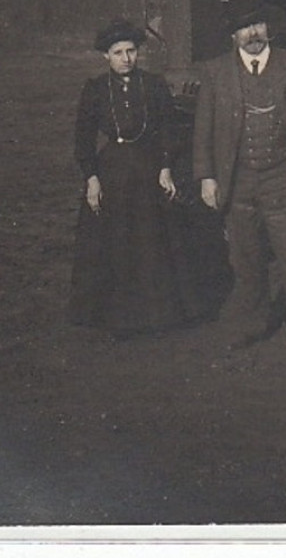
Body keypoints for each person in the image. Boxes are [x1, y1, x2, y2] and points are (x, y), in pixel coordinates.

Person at [193, 0, 286, 350]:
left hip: (283, 178)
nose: (253, 33)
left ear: (267, 28)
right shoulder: (216, 72)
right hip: (237, 180)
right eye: (244, 28)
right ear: (234, 35)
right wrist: (207, 176)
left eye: (258, 25)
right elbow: (204, 129)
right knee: (246, 260)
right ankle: (252, 325)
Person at [68, 17, 201, 338]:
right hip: (112, 171)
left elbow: (169, 130)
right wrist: (92, 178)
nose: (126, 58)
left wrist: (166, 167)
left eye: (131, 51)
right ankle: (116, 318)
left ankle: (159, 315)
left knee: (153, 242)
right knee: (114, 242)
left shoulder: (153, 85)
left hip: (148, 169)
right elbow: (83, 139)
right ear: (106, 56)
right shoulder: (96, 89)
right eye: (118, 53)